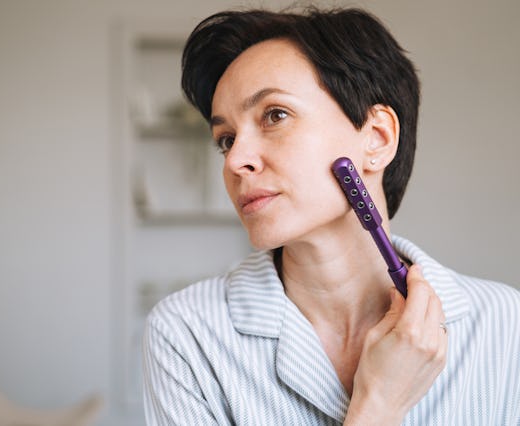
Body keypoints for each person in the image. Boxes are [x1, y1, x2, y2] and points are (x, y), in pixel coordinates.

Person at [142, 6, 520, 425]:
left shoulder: (505, 325)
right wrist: (377, 406)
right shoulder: (187, 335)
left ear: (376, 139)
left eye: (274, 115)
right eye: (226, 139)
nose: (235, 162)